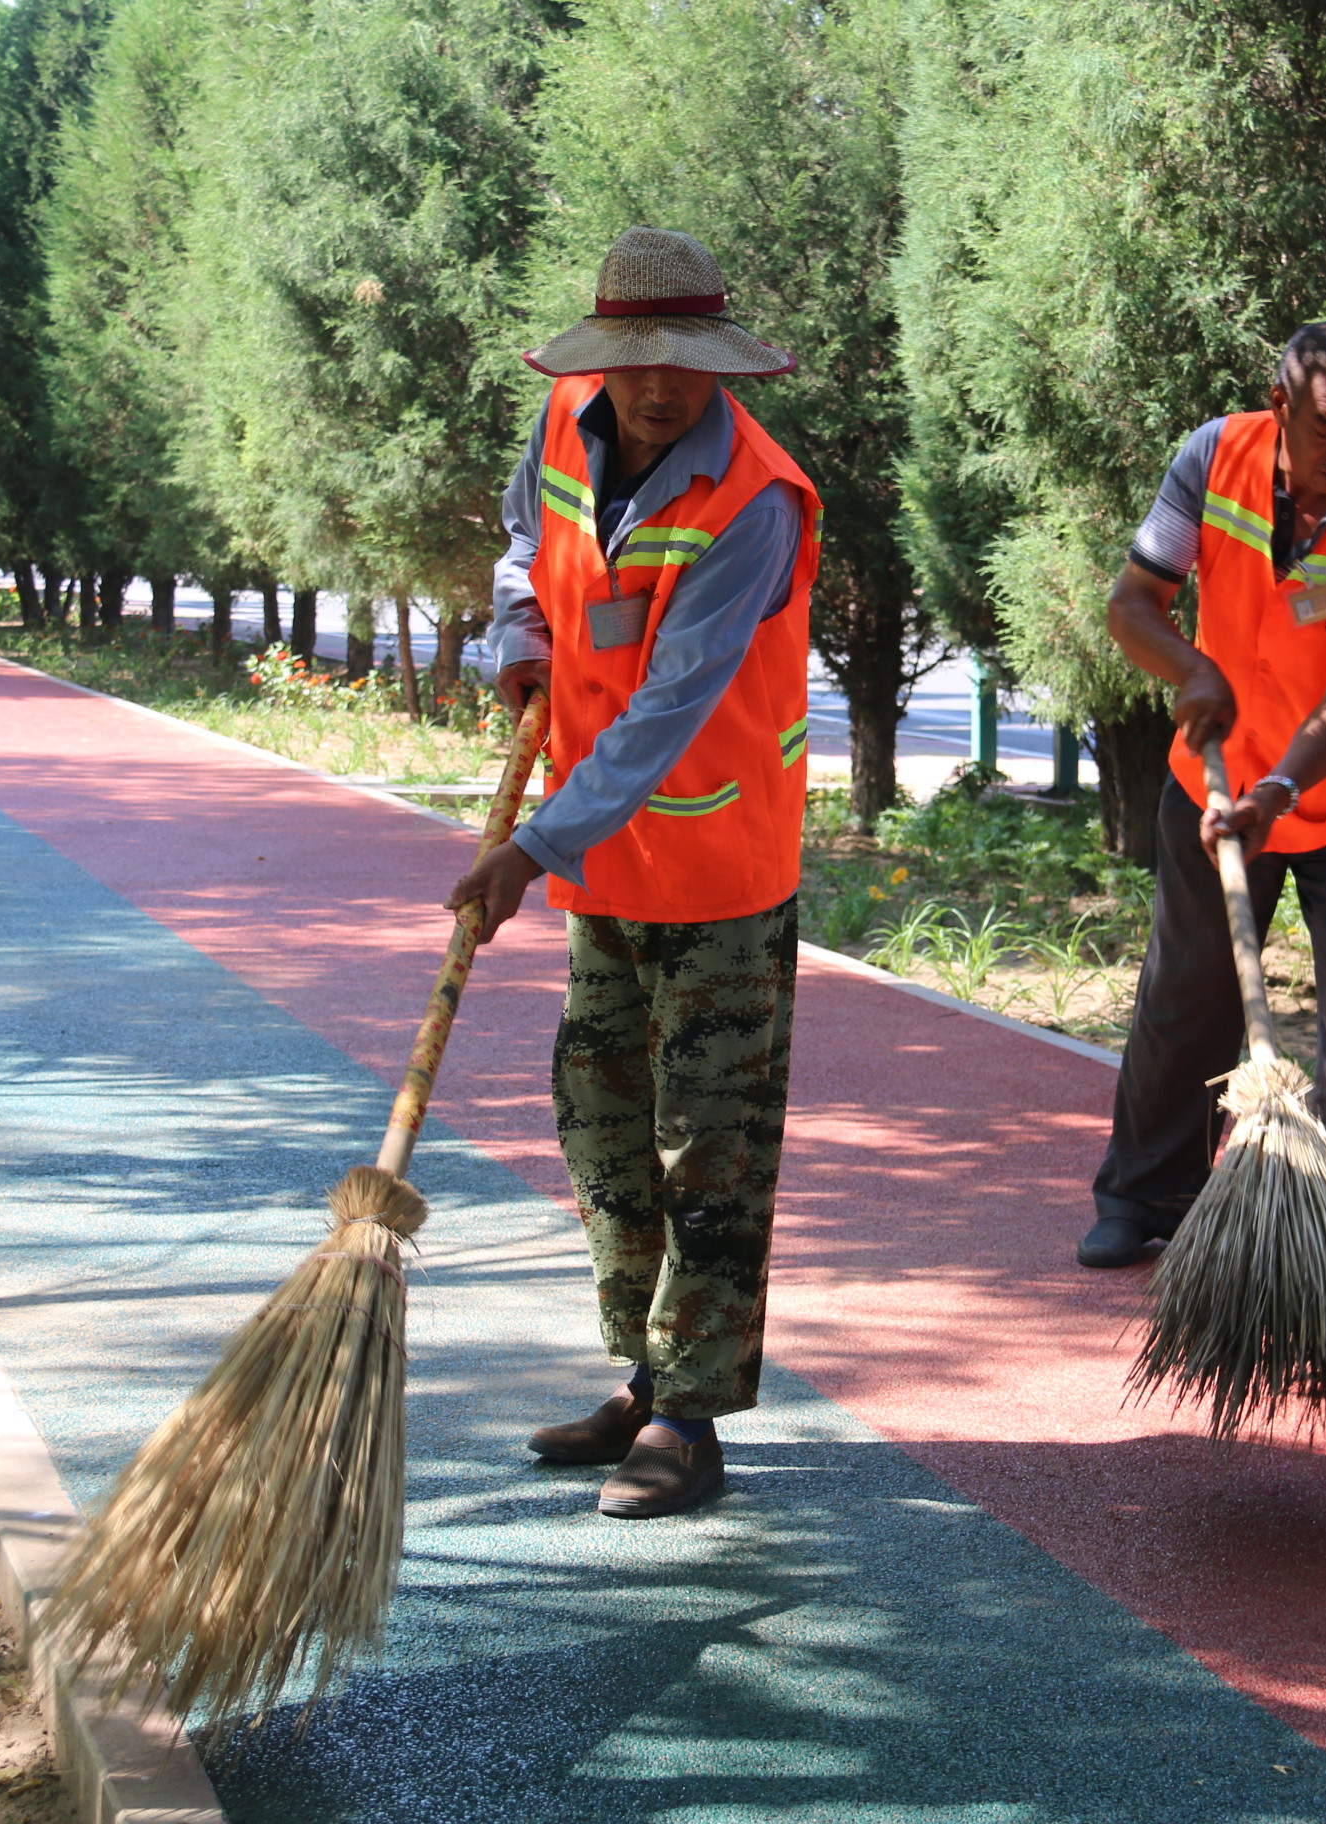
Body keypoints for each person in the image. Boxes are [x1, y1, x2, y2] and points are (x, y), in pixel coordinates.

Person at [445, 227, 820, 1519]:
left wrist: (528, 850)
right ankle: (642, 1376)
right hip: (606, 868)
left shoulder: (754, 502)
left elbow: (668, 711)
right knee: (601, 1128)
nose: (653, 385)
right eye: (631, 357)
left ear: (717, 360)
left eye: (680, 359)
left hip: (716, 867)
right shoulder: (563, 422)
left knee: (708, 1148)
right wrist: (516, 634)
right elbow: (519, 549)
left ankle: (693, 1421)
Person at [1078, 322, 1326, 1270]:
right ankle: (1143, 1195)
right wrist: (1190, 670)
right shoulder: (1213, 456)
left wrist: (1281, 787)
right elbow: (1134, 605)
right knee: (1182, 995)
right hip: (1212, 781)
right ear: (1279, 405)